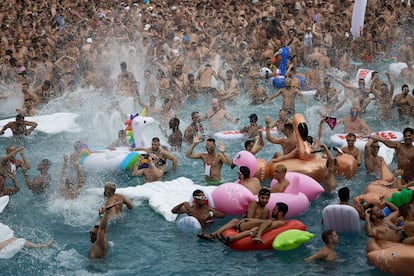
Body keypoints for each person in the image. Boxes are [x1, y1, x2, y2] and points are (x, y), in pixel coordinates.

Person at [197, 188, 271, 240]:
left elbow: (265, 225)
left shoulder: (266, 211)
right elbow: (248, 219)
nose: (264, 200)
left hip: (253, 229)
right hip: (246, 225)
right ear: (259, 197)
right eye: (262, 198)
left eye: (266, 198)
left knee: (238, 222)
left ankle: (214, 235)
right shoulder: (254, 204)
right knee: (235, 220)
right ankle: (213, 234)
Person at [218, 202, 288, 244]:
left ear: (280, 213)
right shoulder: (276, 222)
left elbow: (266, 226)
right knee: (252, 228)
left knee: (254, 229)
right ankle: (228, 238)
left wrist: (257, 232)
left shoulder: (279, 223)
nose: (272, 210)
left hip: (255, 232)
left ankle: (231, 238)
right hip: (253, 230)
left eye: (275, 210)